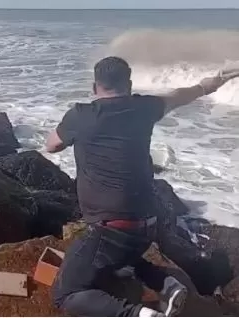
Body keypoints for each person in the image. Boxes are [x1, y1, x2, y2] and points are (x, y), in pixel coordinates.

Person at [46, 56, 237, 317]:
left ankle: (140, 314)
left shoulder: (81, 115)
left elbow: (52, 145)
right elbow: (182, 94)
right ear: (130, 83)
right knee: (119, 260)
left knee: (66, 294)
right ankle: (169, 286)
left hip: (111, 231)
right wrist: (212, 83)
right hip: (148, 226)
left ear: (94, 87)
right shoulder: (145, 107)